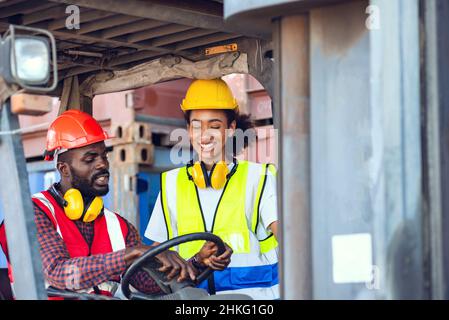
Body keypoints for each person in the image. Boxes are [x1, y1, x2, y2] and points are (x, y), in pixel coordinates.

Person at [32, 109, 231, 298]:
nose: (102, 164)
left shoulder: (118, 226)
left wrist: (198, 262)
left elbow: (150, 284)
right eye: (90, 159)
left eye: (104, 156)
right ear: (64, 169)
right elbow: (59, 273)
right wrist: (130, 254)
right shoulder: (35, 212)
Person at [145, 78, 279, 299]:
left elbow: (292, 240)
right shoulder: (171, 184)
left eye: (215, 126)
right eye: (196, 126)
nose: (205, 135)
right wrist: (197, 261)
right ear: (188, 130)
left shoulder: (260, 177)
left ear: (231, 128)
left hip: (255, 298)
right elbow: (158, 257)